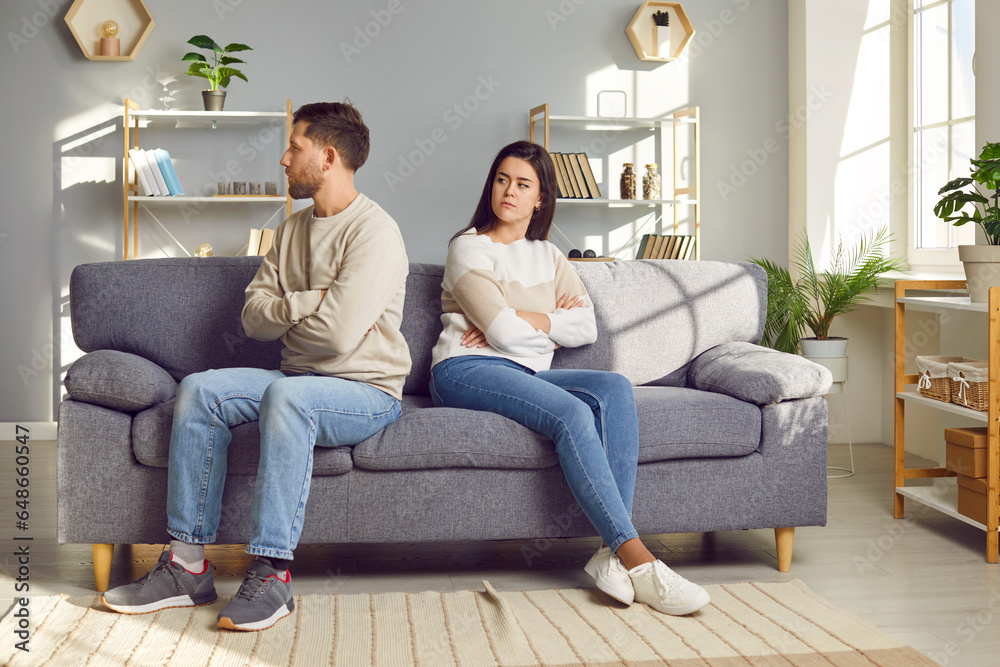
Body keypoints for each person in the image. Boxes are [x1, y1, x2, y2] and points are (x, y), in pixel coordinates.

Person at [101, 101, 411, 631]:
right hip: (297, 379)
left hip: (365, 390)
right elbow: (253, 319)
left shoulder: (374, 233)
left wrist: (295, 315)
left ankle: (272, 575)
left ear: (329, 156)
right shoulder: (290, 232)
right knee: (199, 389)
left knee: (286, 397)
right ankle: (186, 568)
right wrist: (307, 301)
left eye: (295, 147)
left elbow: (339, 340)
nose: (284, 159)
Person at [428, 140, 710, 616]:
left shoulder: (551, 257)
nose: (509, 191)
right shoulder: (467, 247)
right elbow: (499, 331)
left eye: (522, 184)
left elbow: (586, 327)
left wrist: (522, 318)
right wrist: (541, 324)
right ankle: (639, 560)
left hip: (524, 370)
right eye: (502, 179)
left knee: (615, 387)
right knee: (572, 411)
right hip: (464, 368)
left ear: (540, 198)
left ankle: (607, 556)